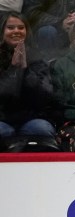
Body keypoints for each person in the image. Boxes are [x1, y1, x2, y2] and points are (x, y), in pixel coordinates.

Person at [0, 11, 58, 142]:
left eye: (21, 27)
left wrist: (25, 70)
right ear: (2, 31)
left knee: (43, 128)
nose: (16, 31)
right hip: (2, 120)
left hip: (30, 120)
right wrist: (14, 69)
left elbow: (43, 96)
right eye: (10, 27)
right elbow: (3, 95)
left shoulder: (37, 59)